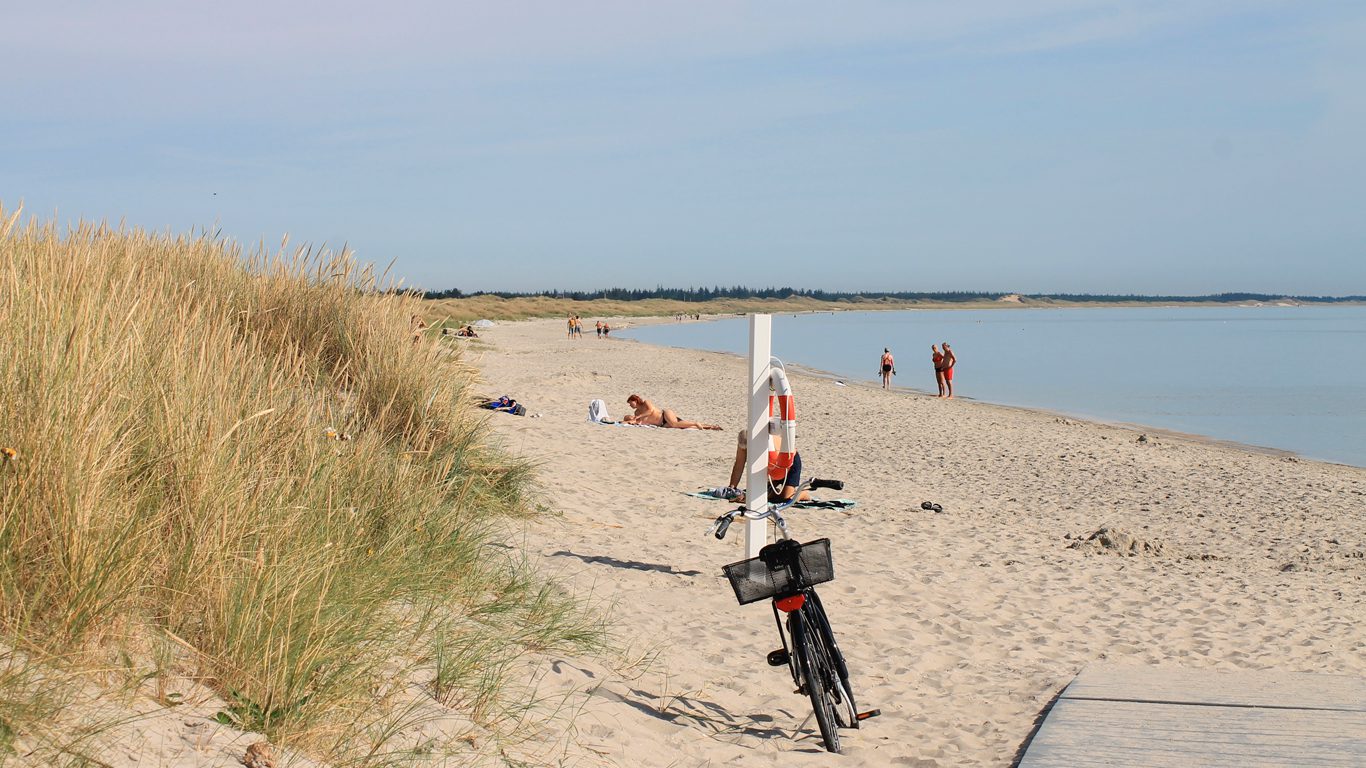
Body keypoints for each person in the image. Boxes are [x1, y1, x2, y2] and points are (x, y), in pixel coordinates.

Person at [718, 430, 810, 503]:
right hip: (773, 466)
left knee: (786, 499)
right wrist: (732, 487)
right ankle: (773, 491)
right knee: (768, 496)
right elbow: (739, 465)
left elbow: (771, 468)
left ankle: (803, 493)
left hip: (789, 461)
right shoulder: (743, 442)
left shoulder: (763, 445)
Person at [621, 394, 722, 430]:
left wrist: (637, 417)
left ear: (635, 400)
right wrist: (624, 421)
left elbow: (650, 411)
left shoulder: (646, 403)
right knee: (683, 426)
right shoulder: (636, 414)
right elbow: (635, 422)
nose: (630, 405)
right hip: (662, 424)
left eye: (631, 403)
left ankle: (696, 423)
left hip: (665, 415)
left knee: (674, 423)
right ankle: (711, 427)